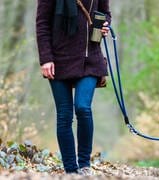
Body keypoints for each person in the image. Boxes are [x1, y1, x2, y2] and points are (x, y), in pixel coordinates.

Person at [36, 0, 111, 175]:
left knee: (83, 108)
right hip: (58, 60)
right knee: (64, 115)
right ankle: (71, 170)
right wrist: (46, 58)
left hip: (89, 59)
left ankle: (84, 165)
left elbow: (105, 13)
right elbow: (42, 24)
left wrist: (105, 25)